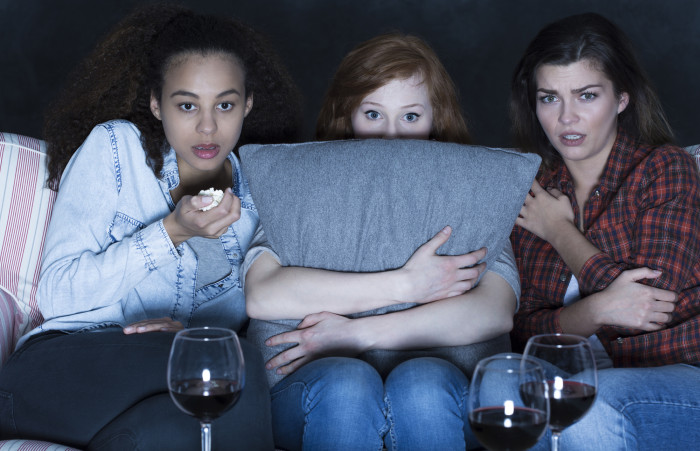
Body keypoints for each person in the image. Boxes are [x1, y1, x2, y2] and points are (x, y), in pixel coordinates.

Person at [0, 5, 301, 450]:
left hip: (159, 396)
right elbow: (57, 294)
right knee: (235, 368)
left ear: (248, 105)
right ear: (157, 105)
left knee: (209, 404)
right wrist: (170, 232)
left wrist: (187, 338)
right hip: (58, 374)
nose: (207, 125)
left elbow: (261, 309)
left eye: (224, 104)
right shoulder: (116, 148)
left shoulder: (259, 194)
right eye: (186, 105)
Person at [244, 33, 519, 450]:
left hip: (442, 393)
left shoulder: (471, 188)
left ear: (436, 120)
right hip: (313, 394)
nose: (391, 135)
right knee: (346, 382)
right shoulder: (304, 183)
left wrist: (359, 334)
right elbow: (263, 296)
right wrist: (408, 284)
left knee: (423, 382)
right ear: (346, 116)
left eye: (411, 117)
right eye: (373, 114)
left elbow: (495, 311)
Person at [509, 12, 700, 450]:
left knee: (589, 403)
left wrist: (559, 231)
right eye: (549, 98)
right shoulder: (532, 192)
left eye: (587, 95)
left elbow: (653, 306)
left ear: (621, 99)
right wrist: (598, 311)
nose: (567, 117)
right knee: (505, 395)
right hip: (574, 373)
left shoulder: (665, 169)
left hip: (678, 373)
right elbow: (524, 330)